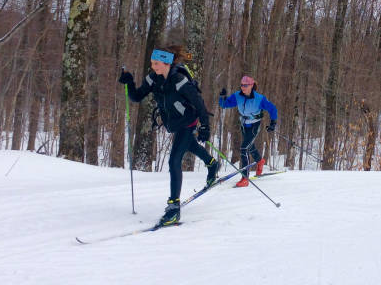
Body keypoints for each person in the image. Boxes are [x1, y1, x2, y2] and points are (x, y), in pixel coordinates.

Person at [118, 45, 219, 226]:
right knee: (190, 146)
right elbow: (136, 97)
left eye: (156, 63)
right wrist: (129, 82)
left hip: (188, 122)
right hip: (173, 123)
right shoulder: (152, 79)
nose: (153, 66)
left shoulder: (179, 80)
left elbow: (199, 103)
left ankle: (173, 208)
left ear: (167, 63)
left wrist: (205, 126)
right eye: (152, 63)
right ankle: (212, 164)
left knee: (174, 161)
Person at [219, 75, 277, 187]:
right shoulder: (237, 96)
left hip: (255, 124)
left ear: (251, 86)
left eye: (245, 85)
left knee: (244, 148)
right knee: (249, 146)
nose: (243, 87)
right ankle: (260, 161)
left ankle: (245, 178)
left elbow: (272, 108)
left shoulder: (259, 99)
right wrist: (222, 97)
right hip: (244, 124)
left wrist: (273, 123)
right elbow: (224, 105)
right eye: (241, 85)